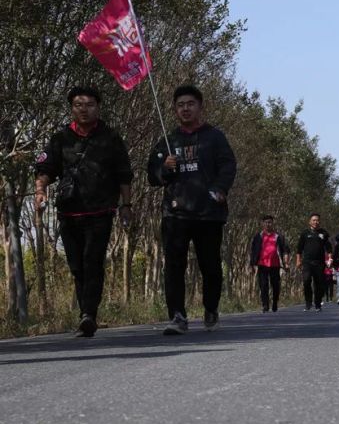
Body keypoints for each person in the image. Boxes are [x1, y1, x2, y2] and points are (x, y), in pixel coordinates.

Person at [34, 87, 133, 337]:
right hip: (69, 213)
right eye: (78, 105)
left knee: (93, 261)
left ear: (98, 107)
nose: (84, 109)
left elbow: (124, 175)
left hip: (101, 211)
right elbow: (45, 168)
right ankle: (85, 312)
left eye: (89, 104)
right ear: (71, 108)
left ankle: (88, 314)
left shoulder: (110, 138)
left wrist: (126, 206)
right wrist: (40, 191)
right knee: (77, 266)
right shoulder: (60, 139)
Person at [148, 85, 237, 335]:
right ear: (174, 110)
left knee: (210, 265)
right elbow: (152, 176)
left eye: (190, 104)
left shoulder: (214, 137)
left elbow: (228, 165)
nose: (185, 109)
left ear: (200, 106)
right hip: (175, 214)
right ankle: (177, 316)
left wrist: (220, 189)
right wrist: (164, 167)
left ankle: (211, 308)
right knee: (174, 265)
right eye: (180, 105)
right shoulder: (168, 141)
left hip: (208, 213)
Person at [250, 215, 290, 313]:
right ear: (262, 223)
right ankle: (265, 305)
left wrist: (286, 263)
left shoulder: (278, 236)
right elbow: (253, 251)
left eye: (270, 222)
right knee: (263, 285)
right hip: (262, 264)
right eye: (266, 222)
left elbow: (285, 250)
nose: (268, 224)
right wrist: (252, 265)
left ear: (273, 223)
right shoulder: (258, 236)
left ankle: (275, 303)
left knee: (275, 285)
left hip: (275, 264)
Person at [296, 213, 332, 311]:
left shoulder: (323, 233)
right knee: (306, 281)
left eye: (317, 220)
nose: (316, 222)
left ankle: (317, 304)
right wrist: (298, 261)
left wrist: (330, 259)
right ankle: (308, 303)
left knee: (319, 284)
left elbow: (328, 248)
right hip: (307, 263)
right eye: (314, 220)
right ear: (310, 221)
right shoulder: (304, 233)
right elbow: (299, 249)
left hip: (319, 263)